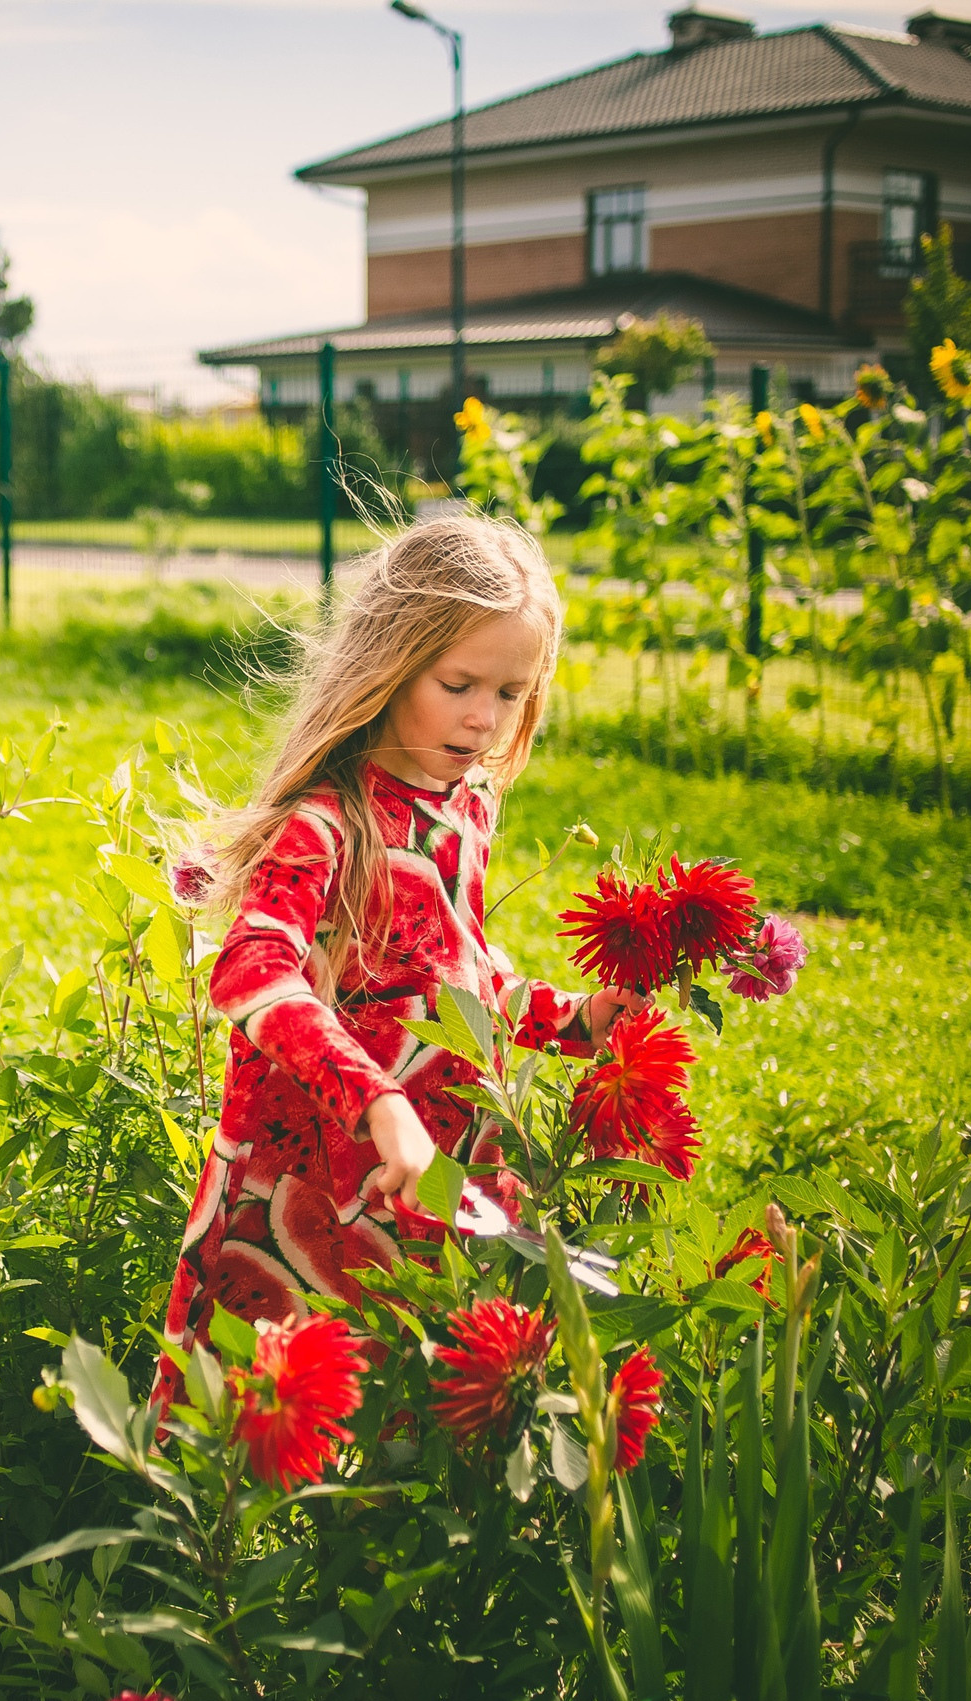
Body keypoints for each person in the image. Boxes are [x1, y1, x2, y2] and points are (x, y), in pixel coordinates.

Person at [163, 513, 646, 1355]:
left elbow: (457, 975)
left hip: (420, 1192)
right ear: (390, 664)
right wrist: (379, 1101)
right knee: (254, 1460)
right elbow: (253, 969)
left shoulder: (468, 807)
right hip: (300, 1186)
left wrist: (578, 1020)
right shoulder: (327, 822)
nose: (485, 720)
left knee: (396, 1456)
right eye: (459, 685)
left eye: (510, 692)